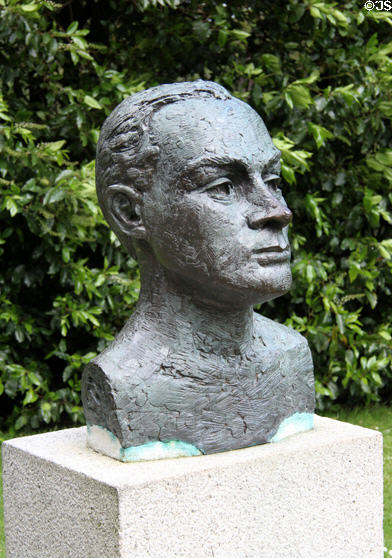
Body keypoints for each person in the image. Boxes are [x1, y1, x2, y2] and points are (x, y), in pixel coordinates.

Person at [82, 80, 315, 461]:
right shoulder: (128, 381)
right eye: (223, 187)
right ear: (131, 212)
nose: (277, 211)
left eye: (272, 180)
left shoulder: (290, 354)